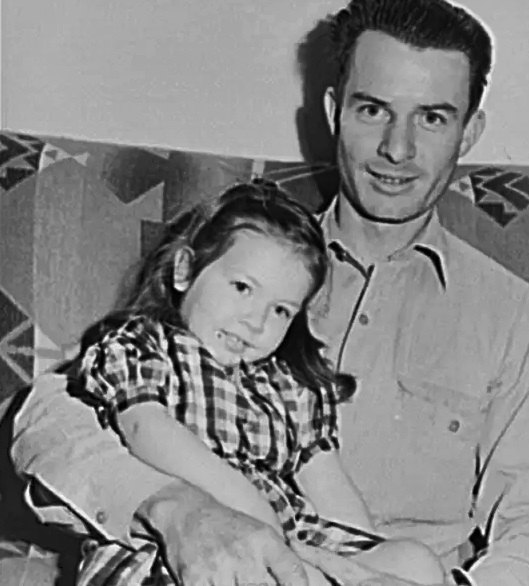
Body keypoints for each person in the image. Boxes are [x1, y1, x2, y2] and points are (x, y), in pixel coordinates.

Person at [10, 0, 529, 586]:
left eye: (433, 118)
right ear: (335, 111)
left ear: (469, 133)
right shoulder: (247, 260)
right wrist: (171, 508)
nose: (398, 148)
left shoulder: (515, 315)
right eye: (373, 110)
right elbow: (47, 421)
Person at [67, 178, 443, 586]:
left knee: (415, 562)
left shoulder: (288, 387)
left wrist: (362, 567)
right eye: (243, 287)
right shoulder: (145, 345)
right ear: (184, 270)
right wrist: (254, 514)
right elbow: (146, 430)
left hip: (287, 545)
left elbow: (331, 488)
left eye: (281, 310)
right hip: (176, 547)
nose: (256, 321)